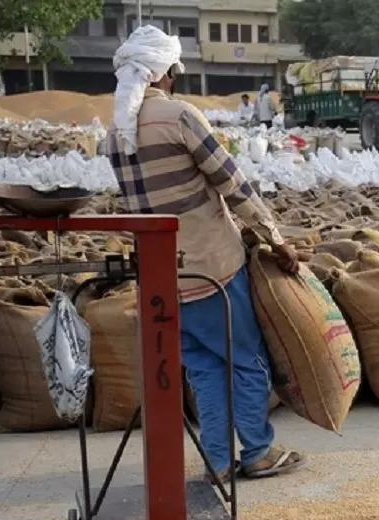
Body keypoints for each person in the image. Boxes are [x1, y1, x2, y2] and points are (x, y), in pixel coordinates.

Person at [104, 25, 307, 484]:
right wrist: (275, 238)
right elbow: (233, 184)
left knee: (204, 369)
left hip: (163, 281)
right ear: (168, 72)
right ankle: (256, 450)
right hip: (214, 270)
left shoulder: (115, 138)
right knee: (247, 360)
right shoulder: (180, 118)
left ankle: (217, 462)